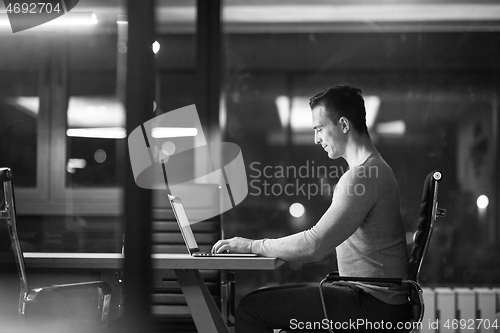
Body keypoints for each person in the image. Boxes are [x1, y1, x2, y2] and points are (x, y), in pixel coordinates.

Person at [212, 84, 412, 332]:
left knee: (251, 310)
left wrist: (251, 245)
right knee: (269, 305)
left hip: (373, 307)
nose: (316, 139)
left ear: (344, 125)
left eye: (319, 129)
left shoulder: (363, 176)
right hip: (376, 300)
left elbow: (315, 245)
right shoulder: (374, 170)